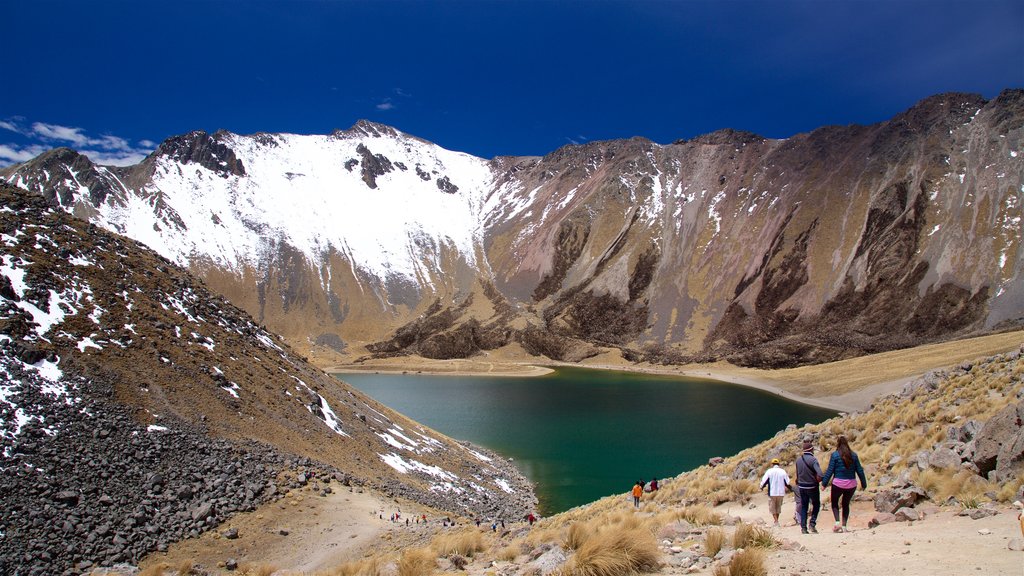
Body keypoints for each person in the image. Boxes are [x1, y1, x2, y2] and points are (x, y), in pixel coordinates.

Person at [821, 436, 867, 533]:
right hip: (851, 484)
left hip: (838, 484)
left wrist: (824, 484)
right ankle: (845, 526)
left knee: (834, 503)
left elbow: (830, 470)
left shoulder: (835, 455)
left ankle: (837, 523)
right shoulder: (853, 455)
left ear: (838, 444)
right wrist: (864, 483)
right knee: (846, 504)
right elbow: (859, 470)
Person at [795, 440, 824, 534]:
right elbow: (820, 473)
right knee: (816, 504)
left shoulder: (798, 460)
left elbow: (797, 475)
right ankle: (812, 524)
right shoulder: (813, 460)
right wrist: (818, 480)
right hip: (812, 486)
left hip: (802, 486)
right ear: (811, 450)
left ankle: (803, 528)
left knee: (804, 506)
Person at [759, 458, 791, 527]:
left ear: (772, 464)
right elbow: (787, 482)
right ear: (778, 464)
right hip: (781, 492)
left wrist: (761, 487)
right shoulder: (782, 471)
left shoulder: (769, 471)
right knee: (778, 507)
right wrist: (791, 489)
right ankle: (776, 521)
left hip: (772, 492)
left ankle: (776, 522)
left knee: (772, 508)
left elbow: (764, 480)